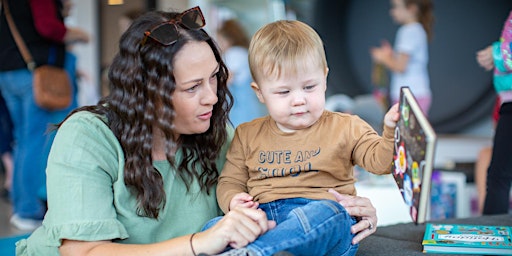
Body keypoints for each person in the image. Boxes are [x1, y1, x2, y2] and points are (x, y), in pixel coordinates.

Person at [15, 7, 378, 256]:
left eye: (214, 79)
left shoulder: (218, 135)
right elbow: (83, 252)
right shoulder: (89, 136)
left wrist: (349, 211)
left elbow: (283, 198)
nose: (212, 97)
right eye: (192, 88)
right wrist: (200, 242)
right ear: (149, 96)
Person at [207, 20, 399, 256]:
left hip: (322, 216)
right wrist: (234, 201)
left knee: (331, 213)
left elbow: (382, 164)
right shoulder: (246, 134)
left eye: (309, 87)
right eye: (284, 92)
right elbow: (230, 181)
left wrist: (390, 131)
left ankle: (256, 251)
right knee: (212, 228)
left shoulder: (347, 126)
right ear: (260, 93)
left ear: (325, 79)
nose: (299, 100)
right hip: (264, 218)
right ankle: (270, 249)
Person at [0, 0, 89, 231]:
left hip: (9, 74)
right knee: (37, 141)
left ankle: (22, 206)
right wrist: (76, 33)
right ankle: (29, 209)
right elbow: (48, 27)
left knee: (23, 141)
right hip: (34, 74)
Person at [476, 10, 512, 215]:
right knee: (496, 173)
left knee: (498, 177)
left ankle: (492, 235)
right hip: (506, 99)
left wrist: (497, 53)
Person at [370, 0, 434, 116]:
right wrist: (390, 56)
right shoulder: (416, 30)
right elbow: (404, 61)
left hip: (411, 95)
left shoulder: (409, 31)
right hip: (414, 94)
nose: (392, 12)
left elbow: (400, 66)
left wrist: (382, 57)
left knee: (409, 133)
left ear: (412, 8)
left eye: (396, 7)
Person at [216, 19, 266, 128]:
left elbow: (226, 79)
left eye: (219, 39)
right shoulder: (243, 52)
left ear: (228, 38)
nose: (219, 44)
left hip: (239, 110)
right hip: (248, 108)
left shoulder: (234, 53)